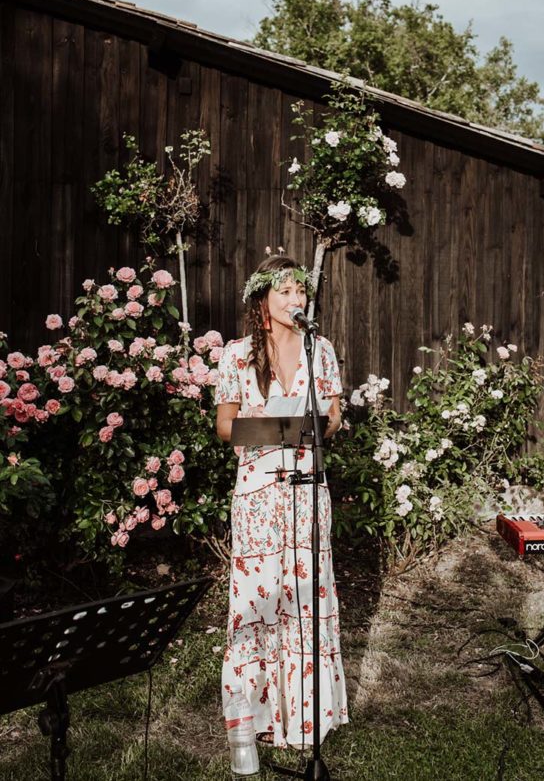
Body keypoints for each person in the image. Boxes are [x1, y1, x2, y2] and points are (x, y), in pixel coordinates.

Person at [215, 255, 348, 749]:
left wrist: (321, 424)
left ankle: (308, 716)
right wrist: (271, 428)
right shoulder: (237, 354)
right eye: (285, 291)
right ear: (262, 300)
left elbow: (334, 416)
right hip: (258, 491)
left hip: (308, 486)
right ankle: (257, 717)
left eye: (301, 291)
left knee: (307, 595)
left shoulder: (321, 349)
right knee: (259, 598)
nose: (296, 300)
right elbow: (224, 425)